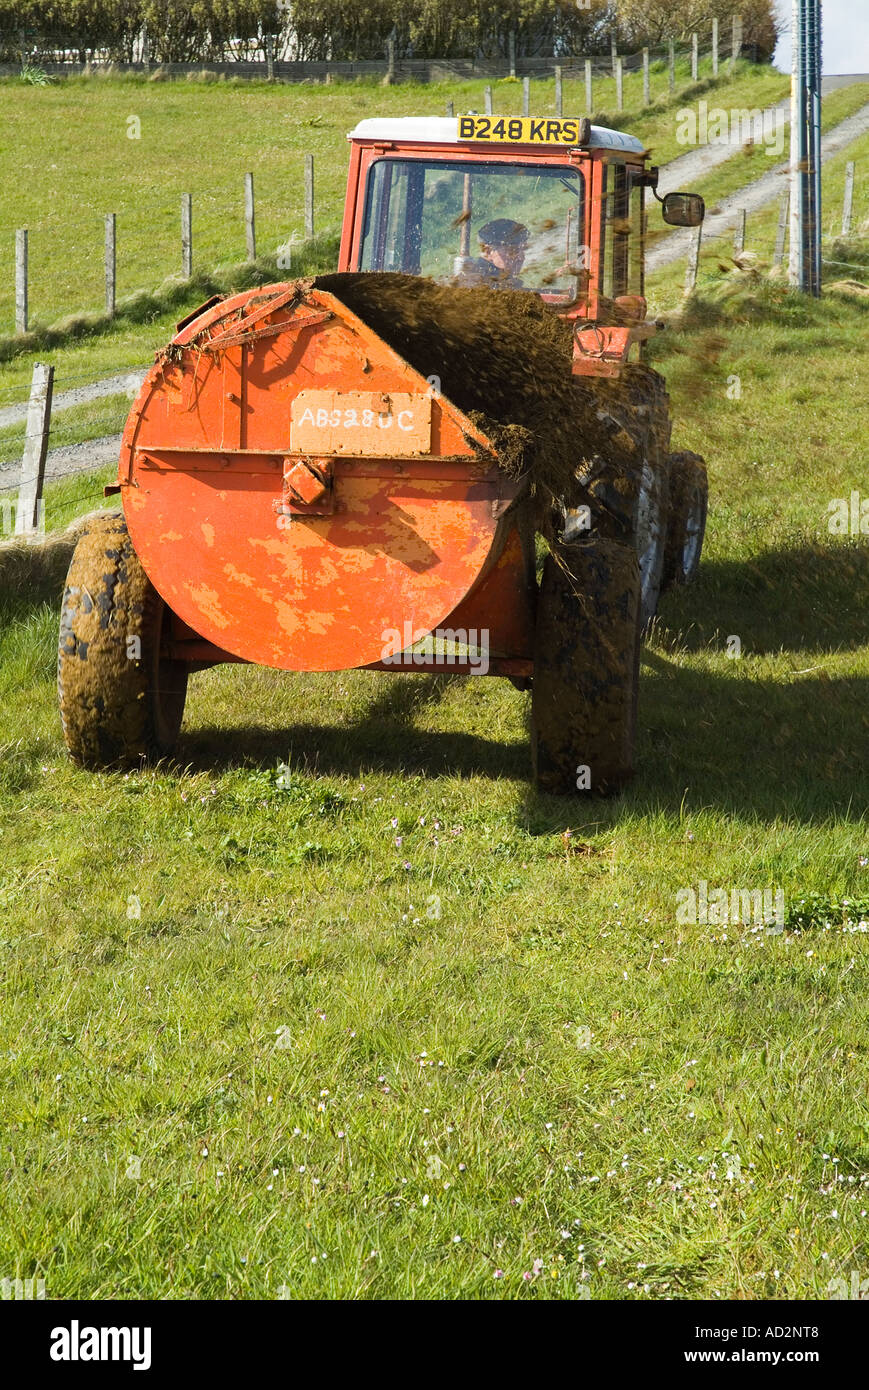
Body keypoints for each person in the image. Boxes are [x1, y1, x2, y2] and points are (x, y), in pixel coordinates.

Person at [460, 219, 529, 290]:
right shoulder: (478, 284)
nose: (521, 258)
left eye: (523, 249)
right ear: (488, 251)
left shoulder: (498, 280)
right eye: (513, 251)